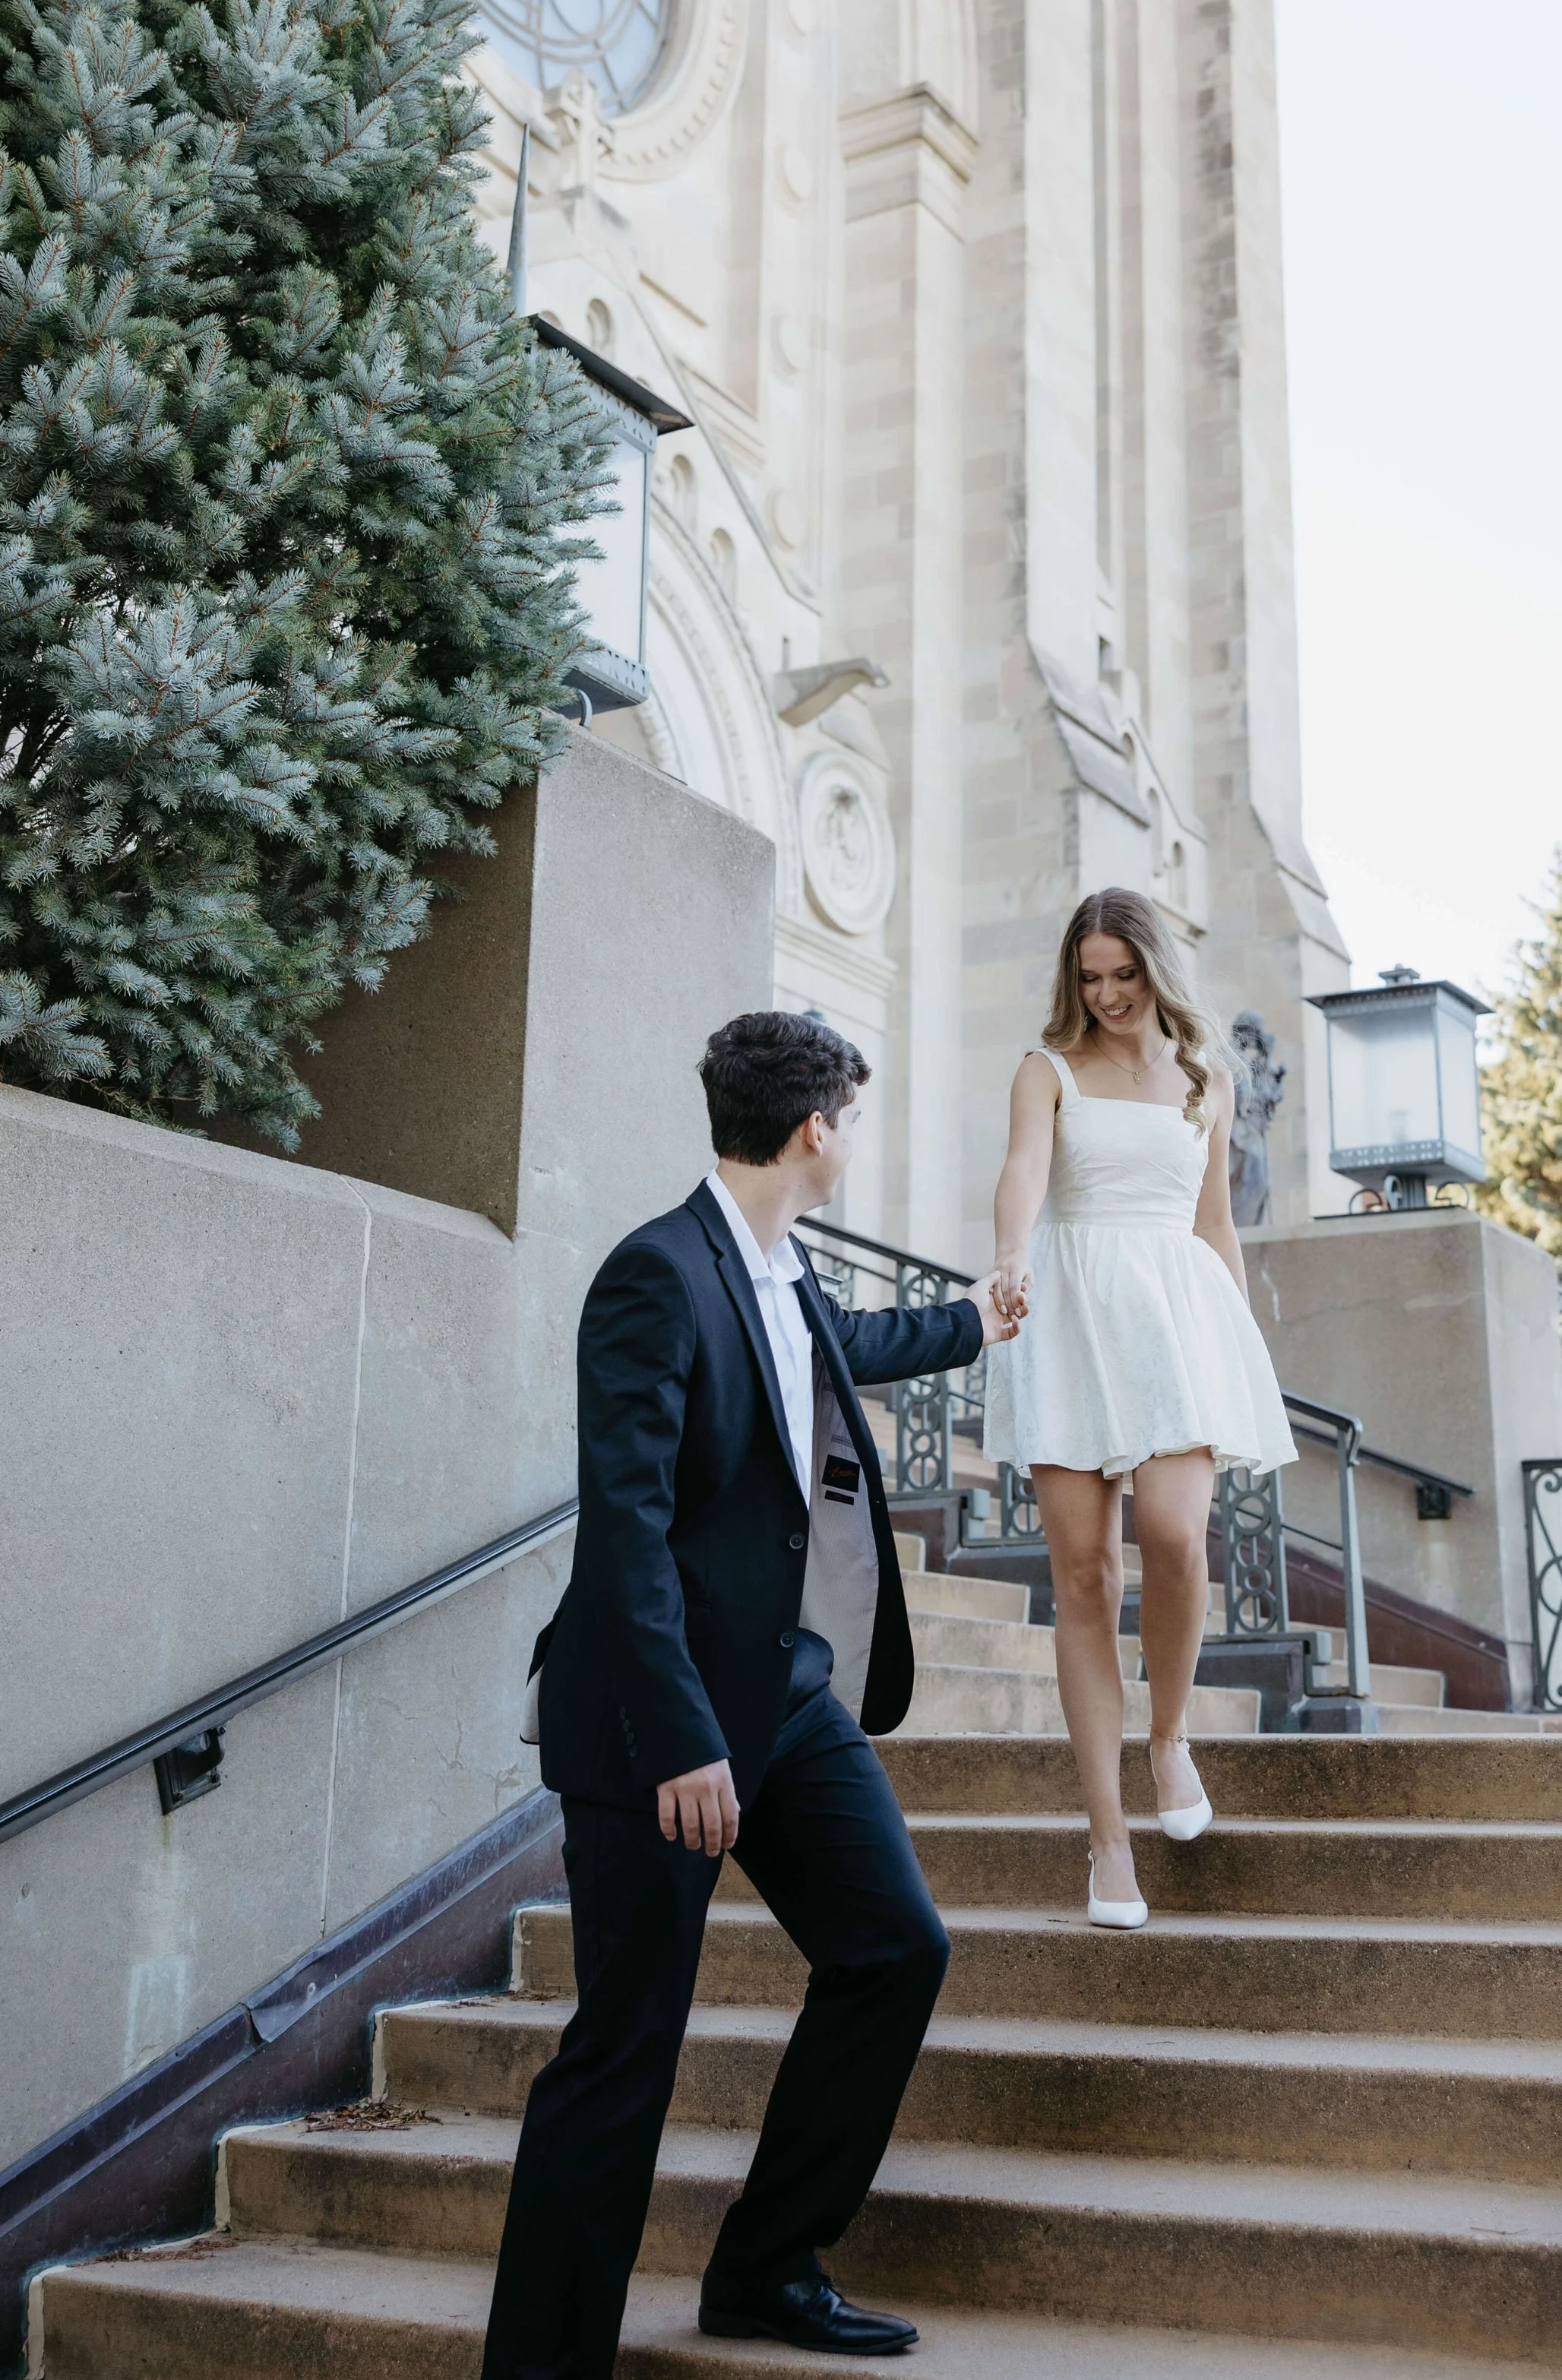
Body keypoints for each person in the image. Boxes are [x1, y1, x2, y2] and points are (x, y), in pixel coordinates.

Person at [482, 1012, 1018, 2376]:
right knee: (624, 2052)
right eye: (853, 1117)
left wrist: (979, 1318)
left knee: (897, 1945)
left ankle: (768, 2264)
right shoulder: (656, 1274)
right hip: (653, 1724)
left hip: (784, 1693)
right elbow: (626, 1527)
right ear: (817, 1126)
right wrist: (680, 1739)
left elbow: (851, 1344)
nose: (854, 1137)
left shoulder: (783, 1270)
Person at [984, 891, 1296, 1929]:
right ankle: (1109, 1839)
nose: (1109, 993)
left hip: (1174, 1316)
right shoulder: (1050, 1069)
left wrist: (1239, 1339)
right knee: (1083, 1577)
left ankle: (1169, 1736)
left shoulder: (1207, 1077)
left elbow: (1216, 1220)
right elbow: (1025, 1167)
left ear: (1158, 969)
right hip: (1069, 1312)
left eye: (1125, 972)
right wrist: (1013, 1253)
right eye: (1091, 975)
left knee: (1174, 1534)